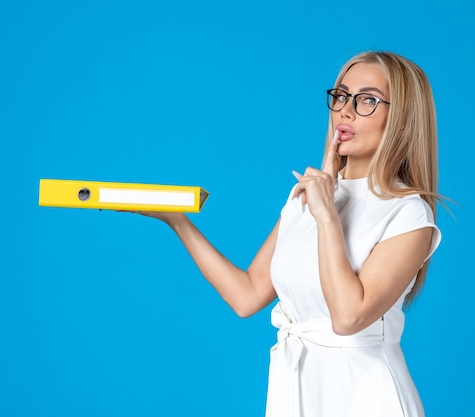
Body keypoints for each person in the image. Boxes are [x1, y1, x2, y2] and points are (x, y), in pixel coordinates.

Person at [136, 51, 441, 417]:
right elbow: (246, 295)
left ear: (402, 120)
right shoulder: (309, 194)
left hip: (366, 397)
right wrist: (177, 221)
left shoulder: (408, 213)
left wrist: (327, 214)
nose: (345, 110)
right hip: (298, 390)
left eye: (368, 101)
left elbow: (348, 317)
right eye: (342, 96)